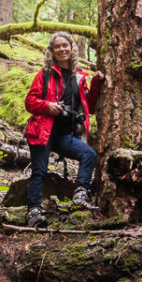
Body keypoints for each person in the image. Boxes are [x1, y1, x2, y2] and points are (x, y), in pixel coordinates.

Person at [24, 32, 105, 227]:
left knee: (88, 154)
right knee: (39, 171)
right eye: (57, 46)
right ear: (52, 51)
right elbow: (30, 102)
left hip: (64, 134)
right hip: (42, 131)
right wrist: (47, 106)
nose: (62, 49)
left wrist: (95, 83)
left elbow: (90, 107)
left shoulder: (79, 77)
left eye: (65, 45)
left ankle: (80, 194)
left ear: (72, 48)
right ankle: (33, 212)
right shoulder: (45, 74)